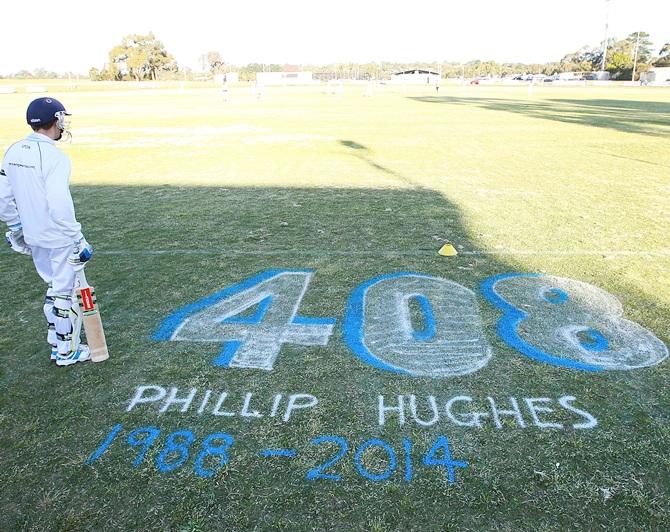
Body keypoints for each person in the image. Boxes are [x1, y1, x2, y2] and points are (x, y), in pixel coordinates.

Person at [1, 97, 94, 366]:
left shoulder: (13, 151)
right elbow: (59, 204)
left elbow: (2, 196)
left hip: (33, 235)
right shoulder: (55, 157)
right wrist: (77, 237)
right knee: (66, 292)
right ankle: (68, 351)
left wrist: (16, 226)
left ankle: (56, 343)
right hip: (57, 235)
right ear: (55, 120)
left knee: (54, 287)